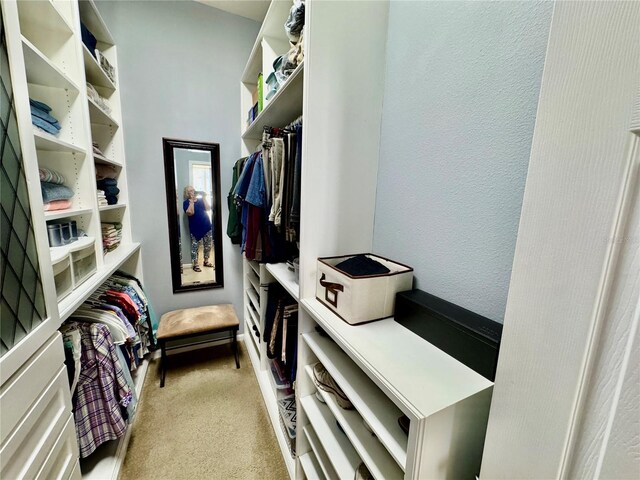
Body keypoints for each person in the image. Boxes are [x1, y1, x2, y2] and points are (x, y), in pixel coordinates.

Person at [183, 185, 213, 272]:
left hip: (206, 225)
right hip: (195, 228)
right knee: (195, 247)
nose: (192, 192)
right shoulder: (186, 203)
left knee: (207, 245)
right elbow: (190, 213)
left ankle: (206, 261)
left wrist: (204, 197)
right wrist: (192, 201)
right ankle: (195, 264)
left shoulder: (200, 200)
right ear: (187, 193)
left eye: (193, 190)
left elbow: (208, 208)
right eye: (190, 191)